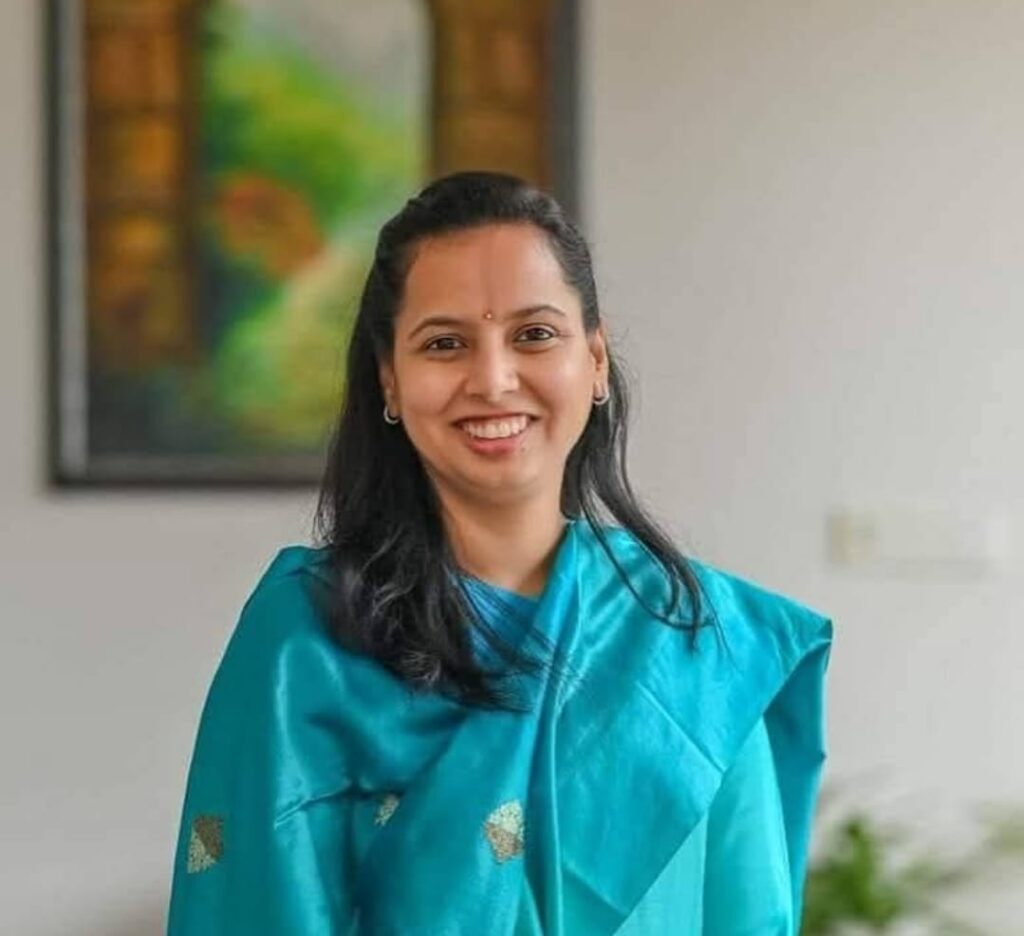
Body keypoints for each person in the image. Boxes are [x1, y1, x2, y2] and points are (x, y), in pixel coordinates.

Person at [167, 171, 833, 934]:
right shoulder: (308, 636)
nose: (492, 379)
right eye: (444, 343)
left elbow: (746, 916)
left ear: (595, 360)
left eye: (534, 334)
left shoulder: (698, 641)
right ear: (390, 379)